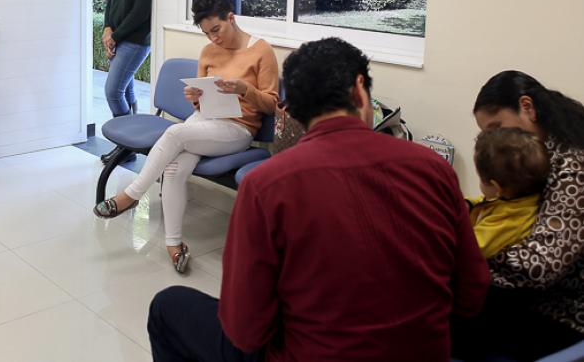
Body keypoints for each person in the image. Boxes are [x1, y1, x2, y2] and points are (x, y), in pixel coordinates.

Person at [147, 37, 489, 362]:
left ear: (292, 108)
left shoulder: (267, 186)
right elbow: (472, 293)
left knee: (168, 307)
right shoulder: (434, 169)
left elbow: (245, 331)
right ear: (359, 89)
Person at [95, 0, 278, 274]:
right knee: (174, 170)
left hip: (238, 128)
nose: (214, 38)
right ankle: (174, 243)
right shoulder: (208, 51)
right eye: (207, 33)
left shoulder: (261, 51)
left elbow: (271, 105)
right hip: (204, 120)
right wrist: (195, 96)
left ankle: (131, 195)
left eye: (217, 29)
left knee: (173, 134)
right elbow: (201, 95)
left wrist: (244, 89)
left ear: (231, 18)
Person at [452, 71, 584, 361]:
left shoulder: (573, 165)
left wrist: (472, 260)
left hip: (562, 312)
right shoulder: (540, 153)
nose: (494, 139)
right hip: (534, 299)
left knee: (446, 316)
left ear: (527, 107)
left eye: (496, 127)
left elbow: (541, 266)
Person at [468, 126, 550, 259]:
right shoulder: (516, 197)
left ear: (496, 187)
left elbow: (469, 250)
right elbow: (487, 202)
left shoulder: (509, 222)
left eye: (481, 179)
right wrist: (467, 203)